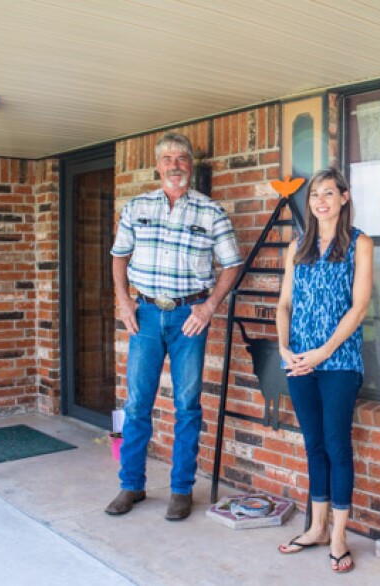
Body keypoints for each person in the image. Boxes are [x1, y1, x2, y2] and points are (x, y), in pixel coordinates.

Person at [105, 132, 242, 521]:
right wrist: (123, 301)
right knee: (136, 405)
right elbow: (118, 257)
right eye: (167, 159)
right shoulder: (137, 207)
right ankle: (131, 484)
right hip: (145, 315)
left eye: (181, 158)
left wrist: (209, 306)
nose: (174, 165)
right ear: (158, 166)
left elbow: (232, 264)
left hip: (189, 319)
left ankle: (181, 490)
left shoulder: (211, 212)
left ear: (190, 165)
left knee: (187, 406)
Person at [275, 168, 374, 573]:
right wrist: (284, 347)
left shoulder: (359, 244)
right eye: (315, 194)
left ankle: (338, 535)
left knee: (336, 446)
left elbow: (359, 306)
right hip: (298, 361)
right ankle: (316, 528)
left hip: (339, 362)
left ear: (344, 198)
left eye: (329, 193)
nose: (320, 201)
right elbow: (284, 304)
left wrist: (323, 353)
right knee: (313, 444)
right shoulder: (297, 246)